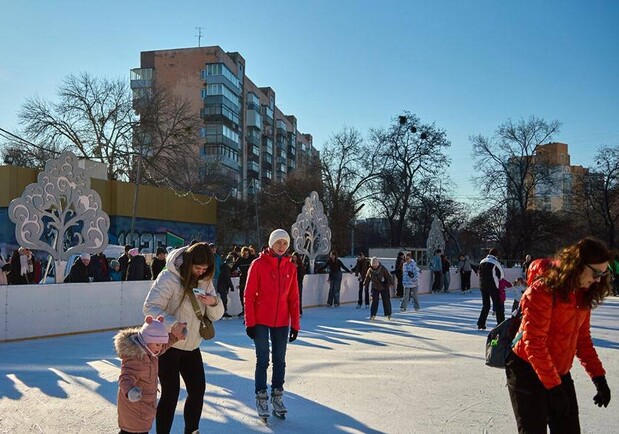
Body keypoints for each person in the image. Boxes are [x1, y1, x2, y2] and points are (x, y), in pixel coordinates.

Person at [506, 238, 612, 433]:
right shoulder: (542, 291)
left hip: (558, 370)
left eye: (603, 274)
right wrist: (554, 388)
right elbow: (534, 343)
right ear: (578, 265)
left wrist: (599, 378)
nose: (598, 279)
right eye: (596, 273)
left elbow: (582, 340)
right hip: (526, 369)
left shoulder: (583, 294)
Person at [143, 242, 224, 434]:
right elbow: (150, 307)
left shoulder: (205, 280)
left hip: (192, 346)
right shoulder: (169, 278)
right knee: (170, 394)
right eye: (197, 268)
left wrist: (214, 302)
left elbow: (215, 316)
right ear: (188, 262)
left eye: (205, 269)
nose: (201, 272)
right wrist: (173, 324)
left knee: (198, 390)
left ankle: (192, 430)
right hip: (168, 346)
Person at [244, 229, 300, 420]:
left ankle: (277, 396)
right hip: (260, 320)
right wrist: (250, 322)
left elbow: (294, 298)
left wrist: (295, 325)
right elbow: (249, 294)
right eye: (278, 243)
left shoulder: (290, 267)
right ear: (271, 244)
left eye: (285, 243)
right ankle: (261, 397)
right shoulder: (258, 264)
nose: (281, 246)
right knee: (263, 359)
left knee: (280, 360)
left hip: (282, 321)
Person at [114, 315, 186, 434]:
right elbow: (125, 378)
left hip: (144, 407)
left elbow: (164, 345)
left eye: (161, 344)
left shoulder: (151, 351)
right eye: (158, 344)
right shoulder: (135, 358)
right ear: (146, 341)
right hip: (133, 408)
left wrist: (175, 336)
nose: (160, 348)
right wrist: (130, 391)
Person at [476, 248, 504, 330]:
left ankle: (481, 323)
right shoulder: (495, 262)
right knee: (498, 305)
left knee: (486, 305)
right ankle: (501, 324)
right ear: (496, 255)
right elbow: (501, 275)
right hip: (493, 286)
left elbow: (478, 272)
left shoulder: (482, 261)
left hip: (482, 286)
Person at [231, 246, 253, 317]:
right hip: (243, 278)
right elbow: (233, 267)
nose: (246, 255)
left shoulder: (252, 258)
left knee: (251, 295)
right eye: (244, 254)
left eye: (247, 253)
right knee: (242, 294)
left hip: (251, 277)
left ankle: (251, 310)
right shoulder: (240, 260)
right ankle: (244, 310)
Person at [290, 252, 306, 316]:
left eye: (295, 257)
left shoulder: (300, 266)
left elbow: (302, 274)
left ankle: (299, 311)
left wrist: (296, 268)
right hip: (291, 283)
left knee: (298, 297)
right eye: (293, 257)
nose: (294, 259)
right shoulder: (290, 264)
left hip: (298, 283)